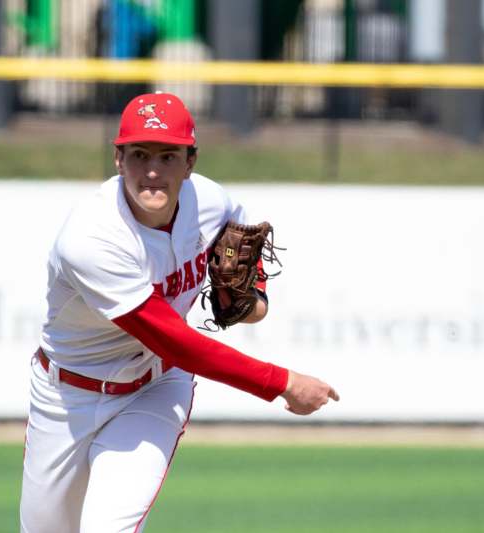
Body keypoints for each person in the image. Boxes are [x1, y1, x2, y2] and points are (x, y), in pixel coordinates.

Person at [19, 91, 339, 533]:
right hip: (66, 398)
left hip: (154, 389)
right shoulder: (91, 238)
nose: (152, 171)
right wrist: (281, 382)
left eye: (168, 156)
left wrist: (255, 295)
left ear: (190, 162)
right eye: (139, 155)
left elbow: (241, 227)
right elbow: (174, 340)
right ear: (118, 159)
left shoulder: (209, 200)